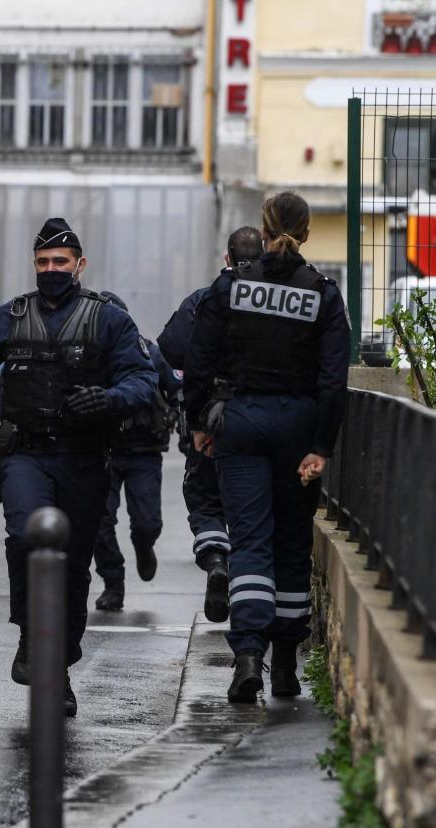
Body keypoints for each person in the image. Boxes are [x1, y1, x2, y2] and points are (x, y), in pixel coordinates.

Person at [0, 218, 157, 717]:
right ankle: (27, 635)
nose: (50, 270)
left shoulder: (108, 320)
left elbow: (143, 379)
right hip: (24, 454)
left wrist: (108, 398)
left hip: (84, 459)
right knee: (25, 536)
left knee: (71, 566)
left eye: (60, 262)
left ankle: (60, 664)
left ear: (79, 265)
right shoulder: (8, 318)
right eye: (42, 262)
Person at [185, 193, 350, 702]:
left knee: (251, 540)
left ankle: (247, 658)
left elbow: (198, 358)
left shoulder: (231, 287)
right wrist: (320, 445)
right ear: (306, 232)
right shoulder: (322, 293)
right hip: (298, 427)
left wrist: (197, 423)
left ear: (264, 225)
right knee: (291, 543)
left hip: (241, 422)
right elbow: (333, 380)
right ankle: (284, 668)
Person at [158, 226, 265, 623]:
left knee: (204, 497)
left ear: (227, 259)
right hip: (265, 418)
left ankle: (216, 558)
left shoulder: (205, 299)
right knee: (253, 510)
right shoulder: (276, 299)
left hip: (212, 420)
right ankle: (249, 604)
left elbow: (171, 348)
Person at [91, 291, 181, 612]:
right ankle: (113, 583)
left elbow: (175, 388)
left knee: (147, 523)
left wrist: (175, 412)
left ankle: (144, 547)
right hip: (102, 451)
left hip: (143, 449)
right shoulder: (88, 356)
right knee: (99, 521)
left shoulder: (148, 352)